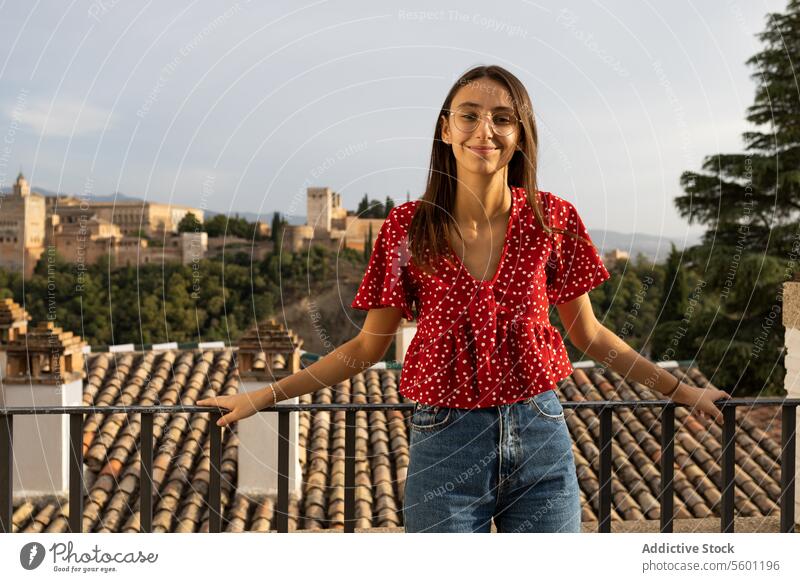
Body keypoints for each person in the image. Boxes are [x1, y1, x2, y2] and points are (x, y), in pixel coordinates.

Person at [198, 64, 731, 533]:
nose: (486, 130)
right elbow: (365, 348)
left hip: (540, 435)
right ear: (445, 128)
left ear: (520, 134)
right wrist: (260, 398)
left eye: (502, 117)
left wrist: (685, 392)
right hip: (444, 444)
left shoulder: (554, 220)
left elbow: (590, 336)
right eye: (469, 115)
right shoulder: (407, 230)